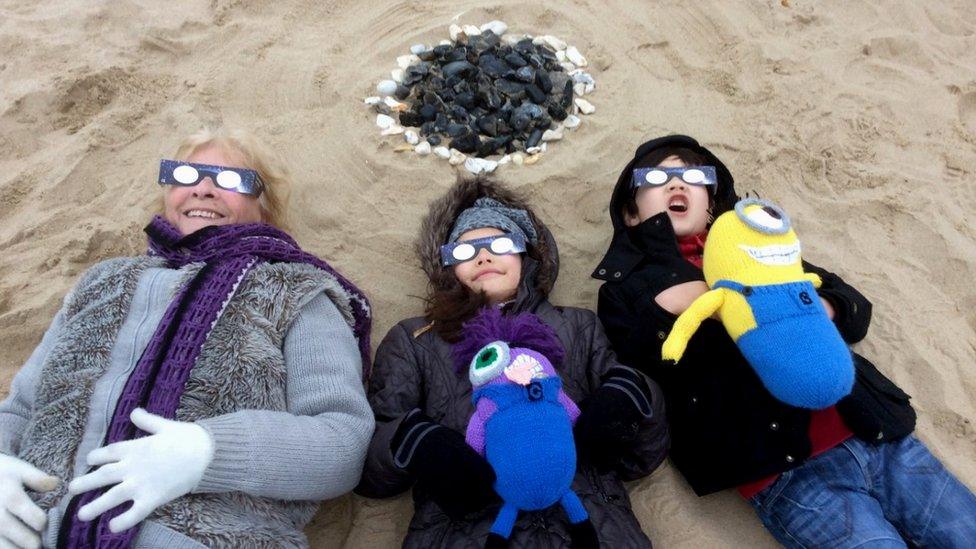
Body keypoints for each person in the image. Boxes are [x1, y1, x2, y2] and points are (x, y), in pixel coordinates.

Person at [593, 134, 976, 548]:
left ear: (712, 200)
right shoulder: (626, 286)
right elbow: (643, 368)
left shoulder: (760, 247)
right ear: (631, 213)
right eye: (656, 177)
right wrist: (670, 309)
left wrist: (807, 307)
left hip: (877, 435)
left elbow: (855, 309)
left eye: (692, 175)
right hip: (789, 477)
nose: (676, 183)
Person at [0, 128, 375, 548]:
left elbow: (342, 440)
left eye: (232, 180)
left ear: (264, 209)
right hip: (30, 526)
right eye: (185, 174)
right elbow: (20, 409)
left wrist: (208, 453)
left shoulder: (297, 290)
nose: (204, 189)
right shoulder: (102, 281)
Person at [356, 177, 668, 548]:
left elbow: (642, 458)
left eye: (500, 243)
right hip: (465, 529)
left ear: (527, 255)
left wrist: (630, 397)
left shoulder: (578, 326)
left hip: (592, 523)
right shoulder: (417, 339)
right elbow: (371, 470)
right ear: (447, 267)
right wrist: (415, 442)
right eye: (464, 251)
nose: (483, 256)